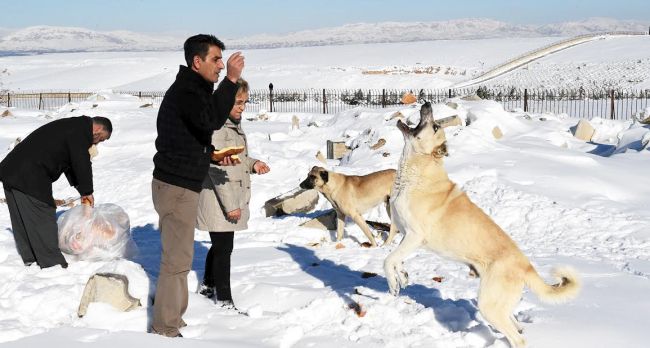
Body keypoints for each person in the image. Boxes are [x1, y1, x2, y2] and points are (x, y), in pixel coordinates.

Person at [150, 34, 244, 338]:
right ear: (197, 61)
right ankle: (165, 327)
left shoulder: (194, 89)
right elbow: (212, 120)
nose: (219, 66)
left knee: (181, 258)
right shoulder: (188, 91)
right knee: (176, 260)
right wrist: (231, 81)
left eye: (221, 61)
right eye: (215, 60)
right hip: (176, 186)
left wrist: (212, 157)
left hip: (180, 183)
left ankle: (174, 317)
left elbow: (189, 139)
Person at [0, 115, 112, 269]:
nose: (98, 143)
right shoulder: (80, 132)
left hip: (11, 171)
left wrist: (82, 190)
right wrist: (87, 192)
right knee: (42, 212)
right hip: (29, 174)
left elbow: (70, 165)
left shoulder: (73, 127)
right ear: (98, 129)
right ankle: (52, 264)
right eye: (101, 139)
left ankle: (31, 258)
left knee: (23, 217)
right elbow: (81, 162)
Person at [196, 78, 270, 310]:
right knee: (224, 249)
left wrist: (253, 163)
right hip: (219, 199)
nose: (242, 107)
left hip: (225, 197)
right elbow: (217, 168)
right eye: (238, 102)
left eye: (245, 103)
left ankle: (208, 285)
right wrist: (231, 206)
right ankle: (224, 300)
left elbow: (234, 157)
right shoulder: (218, 128)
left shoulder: (230, 124)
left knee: (220, 246)